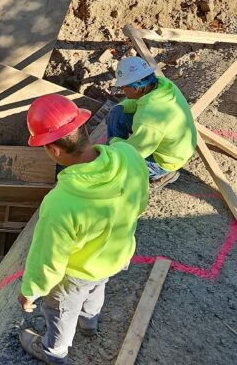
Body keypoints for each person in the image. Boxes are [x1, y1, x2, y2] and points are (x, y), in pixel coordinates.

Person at [18, 94, 149, 365]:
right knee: (97, 287)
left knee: (61, 309)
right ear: (85, 128)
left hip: (77, 274)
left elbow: (48, 261)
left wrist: (30, 292)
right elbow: (141, 202)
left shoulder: (61, 203)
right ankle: (89, 324)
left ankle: (54, 351)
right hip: (116, 256)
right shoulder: (128, 155)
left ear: (53, 150)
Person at [107, 56, 197, 189]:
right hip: (179, 144)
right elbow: (140, 103)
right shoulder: (163, 84)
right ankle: (116, 149)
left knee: (120, 168)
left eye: (123, 87)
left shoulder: (148, 118)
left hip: (167, 161)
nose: (123, 91)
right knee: (117, 112)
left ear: (136, 88)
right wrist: (122, 106)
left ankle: (160, 175)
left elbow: (136, 152)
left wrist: (114, 142)